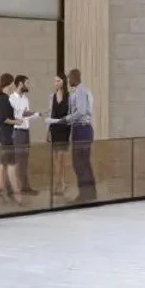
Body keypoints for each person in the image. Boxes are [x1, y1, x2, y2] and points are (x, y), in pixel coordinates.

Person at [48, 68, 97, 203]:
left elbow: (80, 112)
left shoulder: (80, 91)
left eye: (69, 78)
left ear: (74, 78)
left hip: (81, 129)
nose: (68, 81)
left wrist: (64, 119)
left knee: (79, 163)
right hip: (83, 129)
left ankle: (85, 194)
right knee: (84, 162)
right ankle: (90, 193)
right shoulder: (84, 90)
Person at [0, 73, 23, 205]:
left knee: (3, 162)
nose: (13, 86)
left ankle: (1, 189)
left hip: (2, 134)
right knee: (11, 164)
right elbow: (4, 119)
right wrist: (17, 121)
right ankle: (16, 193)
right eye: (12, 84)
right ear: (9, 84)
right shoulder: (4, 99)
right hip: (7, 134)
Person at [10, 74, 39, 196]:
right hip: (17, 132)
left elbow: (26, 116)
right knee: (17, 160)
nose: (28, 85)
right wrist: (28, 114)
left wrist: (36, 115)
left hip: (26, 131)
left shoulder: (25, 99)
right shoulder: (11, 98)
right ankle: (15, 188)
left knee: (24, 161)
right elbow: (17, 116)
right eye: (27, 83)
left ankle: (25, 187)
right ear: (20, 84)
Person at [48, 74, 71, 197]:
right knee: (56, 159)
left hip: (64, 130)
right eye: (54, 81)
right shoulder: (52, 96)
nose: (55, 83)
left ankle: (59, 184)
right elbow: (51, 114)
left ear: (63, 82)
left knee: (61, 159)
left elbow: (71, 114)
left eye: (58, 81)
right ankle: (61, 183)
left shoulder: (69, 97)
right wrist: (48, 131)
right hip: (54, 129)